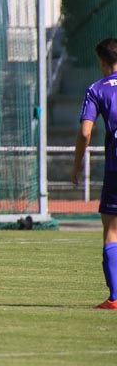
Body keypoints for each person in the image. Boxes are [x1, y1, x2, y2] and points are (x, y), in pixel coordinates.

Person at [72, 37, 117, 310]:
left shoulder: (96, 89)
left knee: (111, 229)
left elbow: (85, 132)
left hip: (115, 166)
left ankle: (115, 298)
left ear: (101, 61)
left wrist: (77, 163)